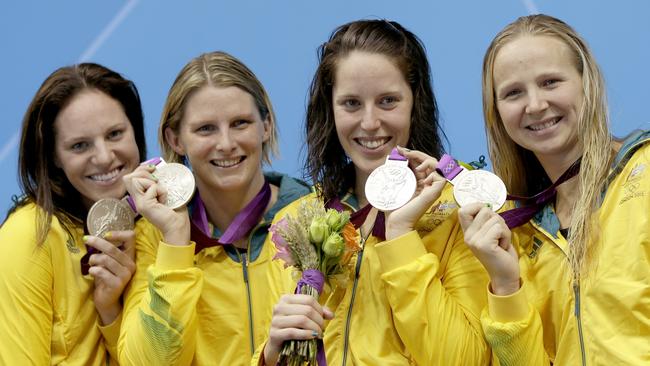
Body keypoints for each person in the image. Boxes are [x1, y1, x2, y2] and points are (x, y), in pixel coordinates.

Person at [259, 20, 490, 365]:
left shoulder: (462, 211)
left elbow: (466, 359)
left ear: (416, 102)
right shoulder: (295, 222)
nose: (369, 122)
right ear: (330, 109)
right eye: (351, 103)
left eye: (387, 101)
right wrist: (270, 354)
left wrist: (401, 238)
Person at [458, 14, 650, 365]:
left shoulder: (646, 172)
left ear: (585, 82)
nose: (534, 105)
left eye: (550, 82)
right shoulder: (518, 233)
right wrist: (505, 284)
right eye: (514, 93)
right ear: (496, 111)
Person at [118, 51, 311, 365]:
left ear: (266, 126)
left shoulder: (313, 218)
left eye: (240, 123)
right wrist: (175, 242)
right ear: (175, 139)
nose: (225, 143)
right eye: (206, 129)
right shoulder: (153, 237)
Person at [0, 63, 146, 364]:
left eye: (115, 134)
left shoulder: (149, 224)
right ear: (54, 156)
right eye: (80, 146)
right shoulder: (28, 235)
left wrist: (111, 312)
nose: (105, 157)